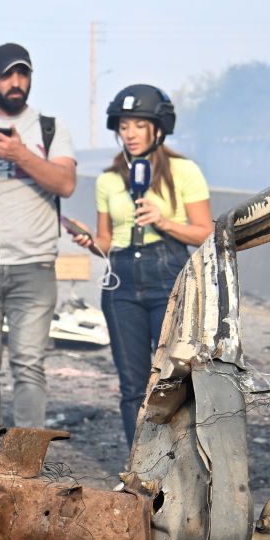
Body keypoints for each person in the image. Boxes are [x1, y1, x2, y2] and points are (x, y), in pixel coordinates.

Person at [72, 84, 212, 443]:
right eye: (123, 125)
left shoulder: (184, 171)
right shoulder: (108, 180)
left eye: (138, 124)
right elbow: (106, 241)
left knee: (173, 376)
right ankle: (136, 467)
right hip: (120, 279)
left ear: (159, 127)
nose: (129, 133)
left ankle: (178, 463)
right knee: (132, 382)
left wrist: (163, 221)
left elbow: (205, 233)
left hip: (168, 274)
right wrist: (90, 241)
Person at [0, 42, 78, 435]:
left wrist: (20, 154)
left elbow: (66, 183)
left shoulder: (50, 129)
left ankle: (26, 460)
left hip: (34, 265)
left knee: (28, 363)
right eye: (7, 74)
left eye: (23, 74)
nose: (16, 82)